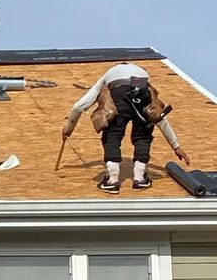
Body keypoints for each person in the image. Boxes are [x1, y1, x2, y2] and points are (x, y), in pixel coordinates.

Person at [60, 61, 191, 191]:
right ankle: (140, 178)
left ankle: (112, 180)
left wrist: (68, 129)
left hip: (119, 92)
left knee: (112, 133)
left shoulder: (108, 75)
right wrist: (176, 147)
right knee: (143, 133)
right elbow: (158, 117)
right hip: (143, 90)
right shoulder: (142, 76)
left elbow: (78, 107)